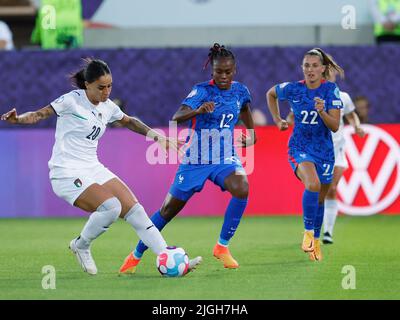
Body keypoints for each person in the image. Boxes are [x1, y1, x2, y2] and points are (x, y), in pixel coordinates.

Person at [1, 58, 201, 275]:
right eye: (101, 87)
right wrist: (18, 119)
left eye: (110, 86)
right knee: (112, 207)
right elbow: (39, 114)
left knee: (135, 210)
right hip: (65, 172)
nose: (106, 92)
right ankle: (81, 245)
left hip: (92, 168)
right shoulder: (71, 101)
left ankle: (169, 258)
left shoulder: (107, 106)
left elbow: (129, 121)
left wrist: (157, 137)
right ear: (87, 84)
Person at [119, 43, 257, 273]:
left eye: (228, 71)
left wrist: (251, 134)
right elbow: (177, 115)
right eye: (218, 71)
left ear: (234, 70)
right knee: (167, 211)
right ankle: (135, 255)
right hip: (196, 160)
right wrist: (199, 110)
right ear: (211, 70)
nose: (223, 76)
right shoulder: (201, 90)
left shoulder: (241, 91)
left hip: (224, 157)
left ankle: (222, 247)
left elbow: (244, 110)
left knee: (242, 188)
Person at [266, 48, 343, 262]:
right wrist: (277, 119)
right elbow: (270, 94)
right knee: (313, 185)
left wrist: (322, 111)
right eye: (306, 65)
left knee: (319, 199)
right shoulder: (293, 89)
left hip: (325, 152)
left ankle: (316, 242)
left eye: (314, 66)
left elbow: (335, 126)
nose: (310, 69)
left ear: (323, 69)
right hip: (300, 147)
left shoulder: (331, 91)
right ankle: (308, 233)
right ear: (302, 68)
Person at [286, 70, 366, 245]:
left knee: (331, 189)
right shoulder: (307, 94)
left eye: (330, 75)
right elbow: (294, 115)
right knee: (318, 191)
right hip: (314, 149)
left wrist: (357, 126)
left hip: (336, 150)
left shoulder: (342, 96)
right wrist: (286, 121)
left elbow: (351, 114)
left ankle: (327, 232)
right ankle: (312, 231)